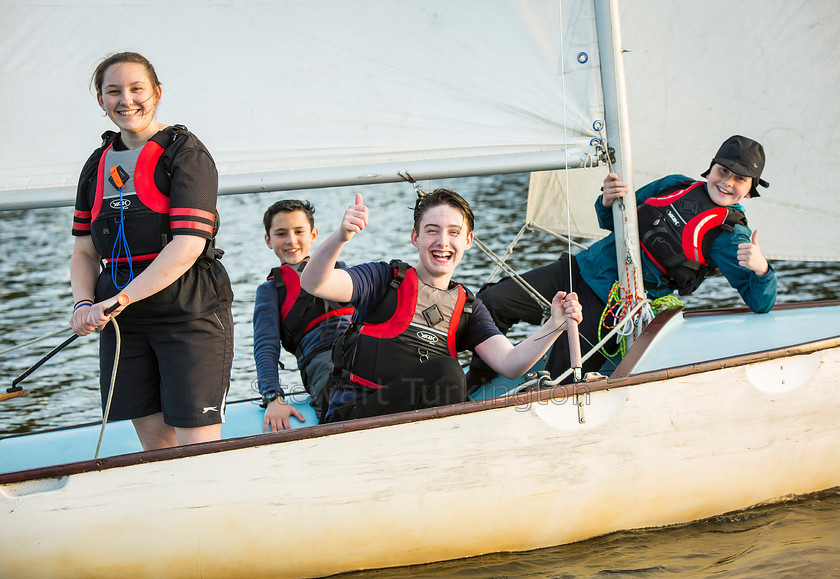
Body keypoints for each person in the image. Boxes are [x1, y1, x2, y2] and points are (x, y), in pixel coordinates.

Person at [468, 135, 778, 387]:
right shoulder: (673, 185)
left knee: (562, 373)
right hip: (578, 270)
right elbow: (612, 219)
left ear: (750, 191)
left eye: (740, 179)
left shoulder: (731, 237)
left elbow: (761, 302)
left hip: (613, 306)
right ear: (710, 169)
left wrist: (762, 268)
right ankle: (479, 382)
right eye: (723, 171)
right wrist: (606, 199)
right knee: (489, 301)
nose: (727, 181)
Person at [300, 189, 583, 422]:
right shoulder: (383, 280)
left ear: (468, 240)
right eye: (432, 231)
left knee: (451, 377)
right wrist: (341, 237)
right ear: (416, 238)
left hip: (414, 427)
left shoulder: (469, 309)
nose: (442, 242)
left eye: (453, 232)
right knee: (448, 371)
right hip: (355, 422)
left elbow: (510, 364)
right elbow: (315, 284)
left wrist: (555, 325)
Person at [69, 52, 234, 450]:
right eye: (113, 91)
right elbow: (84, 253)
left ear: (156, 93)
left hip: (189, 313)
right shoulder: (97, 165)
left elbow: (188, 246)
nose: (126, 100)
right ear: (101, 101)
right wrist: (82, 304)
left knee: (198, 449)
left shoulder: (186, 154)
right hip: (126, 323)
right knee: (155, 447)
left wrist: (122, 297)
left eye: (136, 89)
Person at [253, 199, 354, 431]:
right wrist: (272, 397)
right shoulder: (271, 291)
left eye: (299, 232)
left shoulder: (340, 270)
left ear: (314, 234)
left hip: (361, 346)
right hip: (323, 364)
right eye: (281, 233)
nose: (291, 241)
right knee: (338, 394)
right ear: (268, 240)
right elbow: (265, 347)